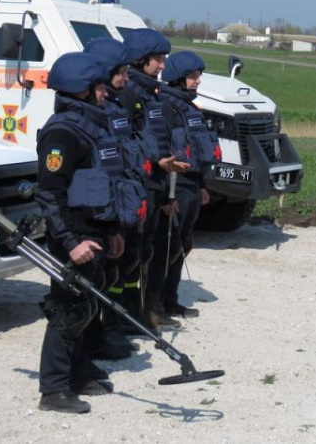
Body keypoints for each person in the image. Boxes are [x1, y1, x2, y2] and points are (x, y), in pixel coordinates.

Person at [35, 52, 133, 413]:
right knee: (67, 311)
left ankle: (78, 374)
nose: (104, 93)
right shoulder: (61, 133)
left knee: (87, 306)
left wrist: (114, 232)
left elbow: (104, 184)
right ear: (81, 91)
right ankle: (54, 389)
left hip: (96, 233)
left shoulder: (92, 127)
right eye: (97, 87)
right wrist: (71, 243)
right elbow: (49, 194)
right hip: (72, 238)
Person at [83, 37, 151, 357]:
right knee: (102, 272)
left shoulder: (115, 106)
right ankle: (100, 331)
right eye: (121, 72)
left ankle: (110, 324)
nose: (126, 78)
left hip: (122, 197)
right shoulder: (93, 112)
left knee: (120, 265)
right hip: (102, 204)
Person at [119, 28, 190, 330]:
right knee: (132, 254)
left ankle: (144, 311)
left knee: (147, 250)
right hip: (140, 184)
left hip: (158, 183)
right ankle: (122, 317)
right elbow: (126, 143)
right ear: (141, 60)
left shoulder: (150, 95)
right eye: (158, 60)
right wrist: (152, 162)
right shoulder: (130, 94)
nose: (162, 66)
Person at [155, 51, 220, 318]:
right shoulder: (165, 108)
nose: (198, 81)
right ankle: (156, 305)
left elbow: (196, 148)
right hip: (174, 185)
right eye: (193, 77)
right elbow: (161, 152)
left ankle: (171, 300)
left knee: (182, 244)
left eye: (198, 76)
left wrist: (202, 184)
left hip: (191, 184)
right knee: (166, 247)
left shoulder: (190, 108)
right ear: (178, 79)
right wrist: (164, 196)